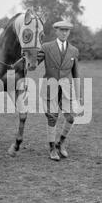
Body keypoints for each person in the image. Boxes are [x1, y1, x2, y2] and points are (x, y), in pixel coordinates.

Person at [38, 20, 82, 161]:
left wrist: (79, 95)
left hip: (67, 89)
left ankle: (61, 142)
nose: (64, 33)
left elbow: (76, 74)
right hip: (50, 87)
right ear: (56, 31)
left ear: (69, 32)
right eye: (61, 30)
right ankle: (51, 148)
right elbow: (32, 64)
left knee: (71, 117)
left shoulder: (74, 51)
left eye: (67, 30)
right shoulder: (46, 47)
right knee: (52, 118)